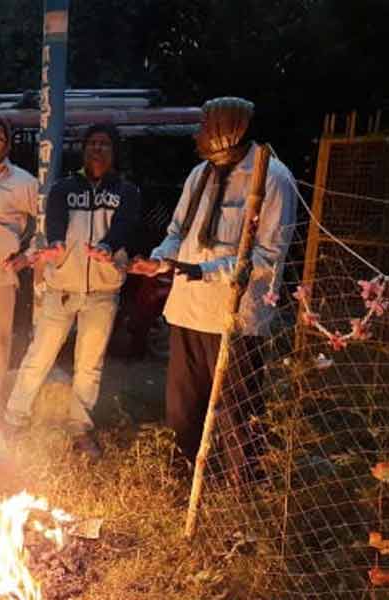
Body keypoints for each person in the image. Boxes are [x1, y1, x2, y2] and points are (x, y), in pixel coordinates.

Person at [129, 96, 297, 482]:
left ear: (226, 130)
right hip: (187, 312)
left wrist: (205, 270)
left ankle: (242, 495)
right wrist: (158, 262)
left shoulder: (272, 178)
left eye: (205, 126)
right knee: (183, 410)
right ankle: (186, 482)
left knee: (237, 412)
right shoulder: (199, 175)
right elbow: (177, 234)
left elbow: (268, 257)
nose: (198, 135)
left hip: (233, 319)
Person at [4, 124, 141, 458]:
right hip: (62, 287)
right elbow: (54, 224)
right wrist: (55, 246)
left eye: (104, 144)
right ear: (83, 149)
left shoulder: (126, 190)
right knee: (39, 356)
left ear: (113, 151)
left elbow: (125, 226)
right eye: (92, 143)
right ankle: (13, 418)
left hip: (103, 290)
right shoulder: (65, 188)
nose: (97, 149)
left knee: (89, 365)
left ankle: (79, 427)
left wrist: (110, 246)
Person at [0, 115, 39, 409]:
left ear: (8, 145)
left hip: (2, 274)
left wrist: (27, 257)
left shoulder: (23, 182)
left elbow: (46, 225)